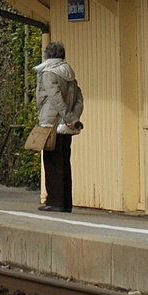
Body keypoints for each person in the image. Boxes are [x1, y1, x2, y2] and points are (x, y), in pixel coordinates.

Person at [34, 40, 83, 212]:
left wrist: (67, 116)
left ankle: (54, 201)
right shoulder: (70, 73)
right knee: (64, 163)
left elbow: (54, 99)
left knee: (52, 163)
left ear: (48, 54)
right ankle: (65, 203)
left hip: (51, 124)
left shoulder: (49, 73)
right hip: (66, 126)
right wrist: (73, 118)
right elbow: (79, 99)